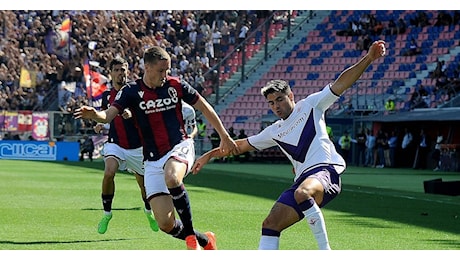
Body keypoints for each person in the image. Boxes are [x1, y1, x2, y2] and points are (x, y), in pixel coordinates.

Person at [192, 40, 387, 250]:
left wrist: (368, 58)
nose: (276, 106)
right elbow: (238, 146)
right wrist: (209, 155)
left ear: (291, 96)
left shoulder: (311, 105)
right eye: (271, 103)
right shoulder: (274, 130)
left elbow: (341, 83)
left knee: (302, 193)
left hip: (325, 172)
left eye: (279, 99)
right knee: (270, 224)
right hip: (303, 180)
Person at [74, 46, 237, 250]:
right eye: (161, 70)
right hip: (151, 160)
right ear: (147, 67)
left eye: (167, 70)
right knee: (165, 224)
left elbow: (204, 106)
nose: (165, 74)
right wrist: (94, 115)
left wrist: (224, 135)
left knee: (172, 177)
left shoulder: (175, 85)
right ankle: (205, 240)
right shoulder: (131, 91)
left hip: (179, 146)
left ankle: (191, 241)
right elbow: (108, 115)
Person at [92, 57, 159, 234]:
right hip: (116, 144)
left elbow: (146, 116)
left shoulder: (135, 92)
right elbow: (108, 115)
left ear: (127, 71)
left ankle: (148, 210)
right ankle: (107, 213)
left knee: (144, 185)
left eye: (123, 69)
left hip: (137, 147)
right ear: (111, 73)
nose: (121, 73)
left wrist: (132, 114)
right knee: (108, 172)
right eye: (117, 70)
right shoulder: (107, 96)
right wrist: (102, 124)